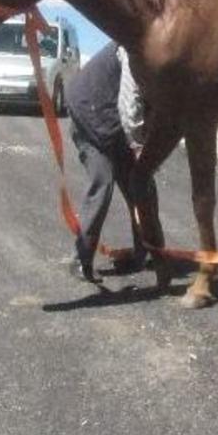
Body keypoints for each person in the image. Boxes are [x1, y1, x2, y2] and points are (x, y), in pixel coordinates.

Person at [65, 41, 154, 283]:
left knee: (143, 186)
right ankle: (80, 260)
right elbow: (130, 105)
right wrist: (138, 146)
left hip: (116, 124)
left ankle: (147, 251)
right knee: (102, 182)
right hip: (89, 117)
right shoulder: (133, 48)